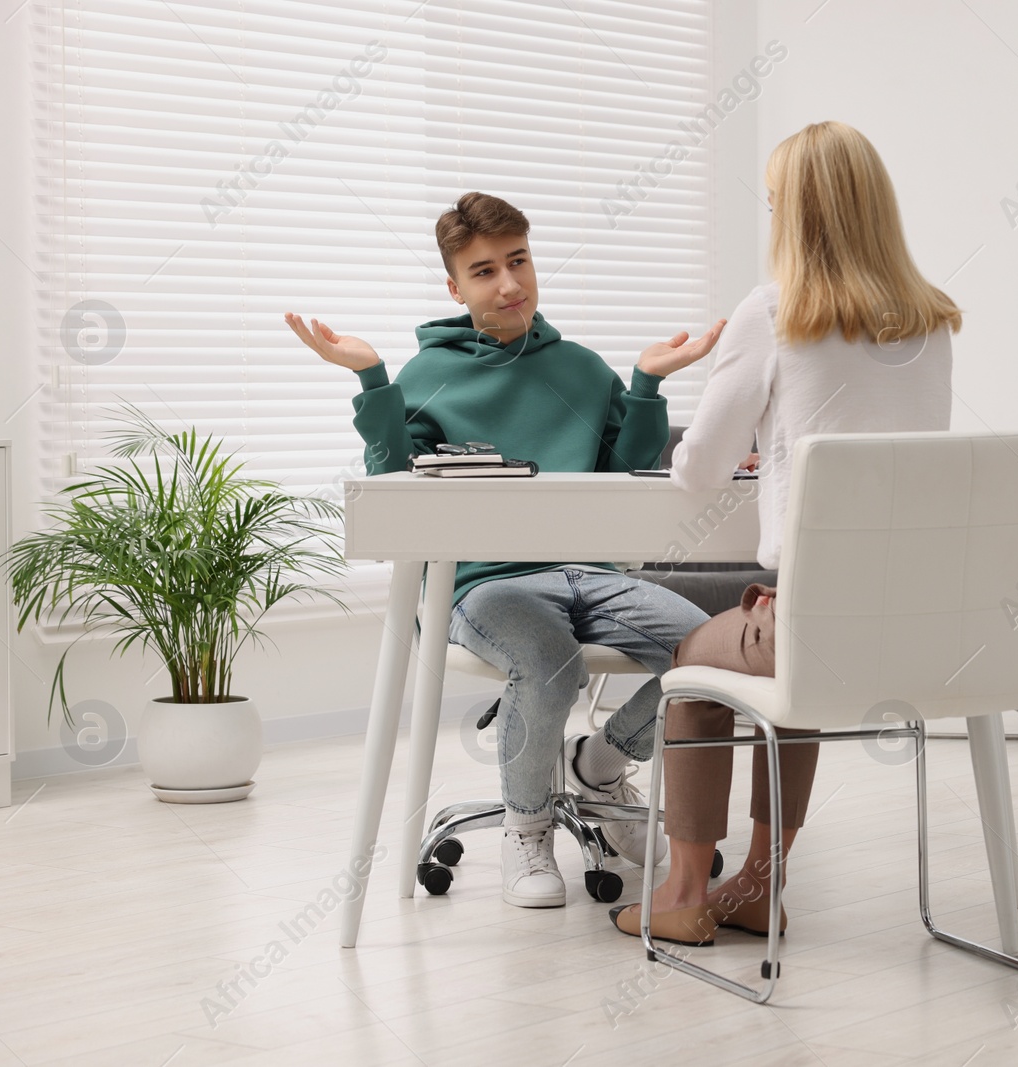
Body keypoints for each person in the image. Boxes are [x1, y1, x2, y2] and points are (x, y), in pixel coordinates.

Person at [286, 191, 726, 909]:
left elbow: (625, 472)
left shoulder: (581, 368)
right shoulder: (427, 378)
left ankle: (602, 761)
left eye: (518, 261)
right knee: (552, 662)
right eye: (484, 271)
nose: (509, 283)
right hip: (482, 586)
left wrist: (647, 383)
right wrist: (372, 379)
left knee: (714, 655)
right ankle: (527, 829)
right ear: (455, 287)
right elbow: (393, 482)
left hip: (589, 571)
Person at [609, 121, 961, 945]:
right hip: (924, 627)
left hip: (817, 621)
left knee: (696, 661)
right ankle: (761, 886)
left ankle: (686, 891)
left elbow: (698, 471)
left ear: (794, 214)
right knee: (783, 667)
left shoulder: (773, 310)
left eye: (773, 203)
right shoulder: (930, 317)